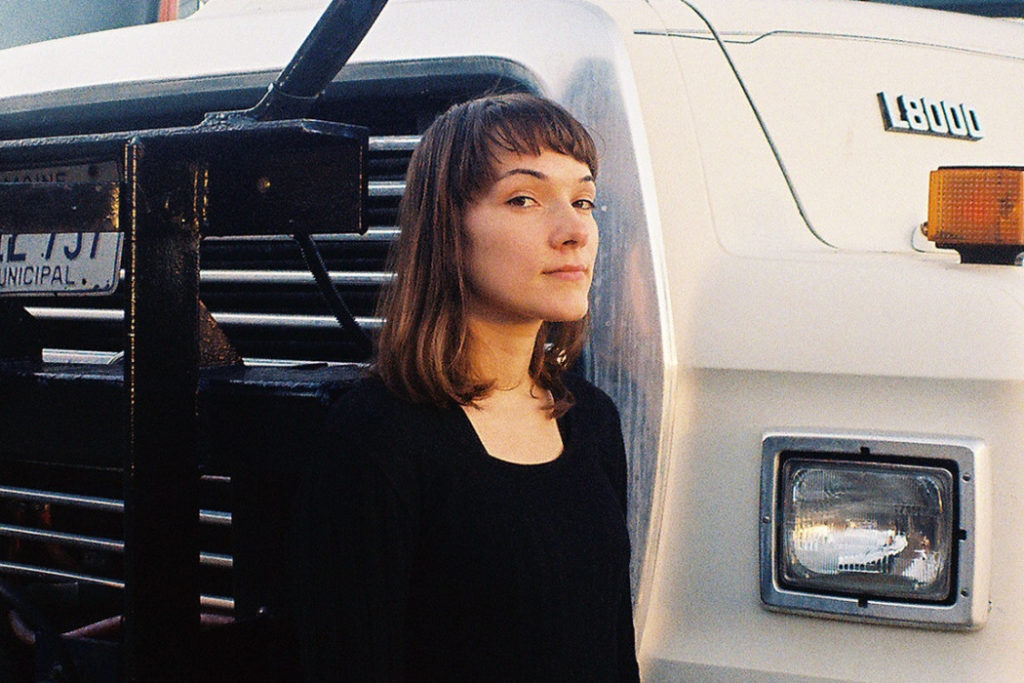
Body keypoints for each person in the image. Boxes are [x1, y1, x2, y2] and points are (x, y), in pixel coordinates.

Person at [292, 93, 639, 681]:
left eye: (583, 200)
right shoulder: (378, 439)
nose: (574, 230)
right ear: (448, 229)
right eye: (525, 198)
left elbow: (612, 649)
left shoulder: (593, 420)